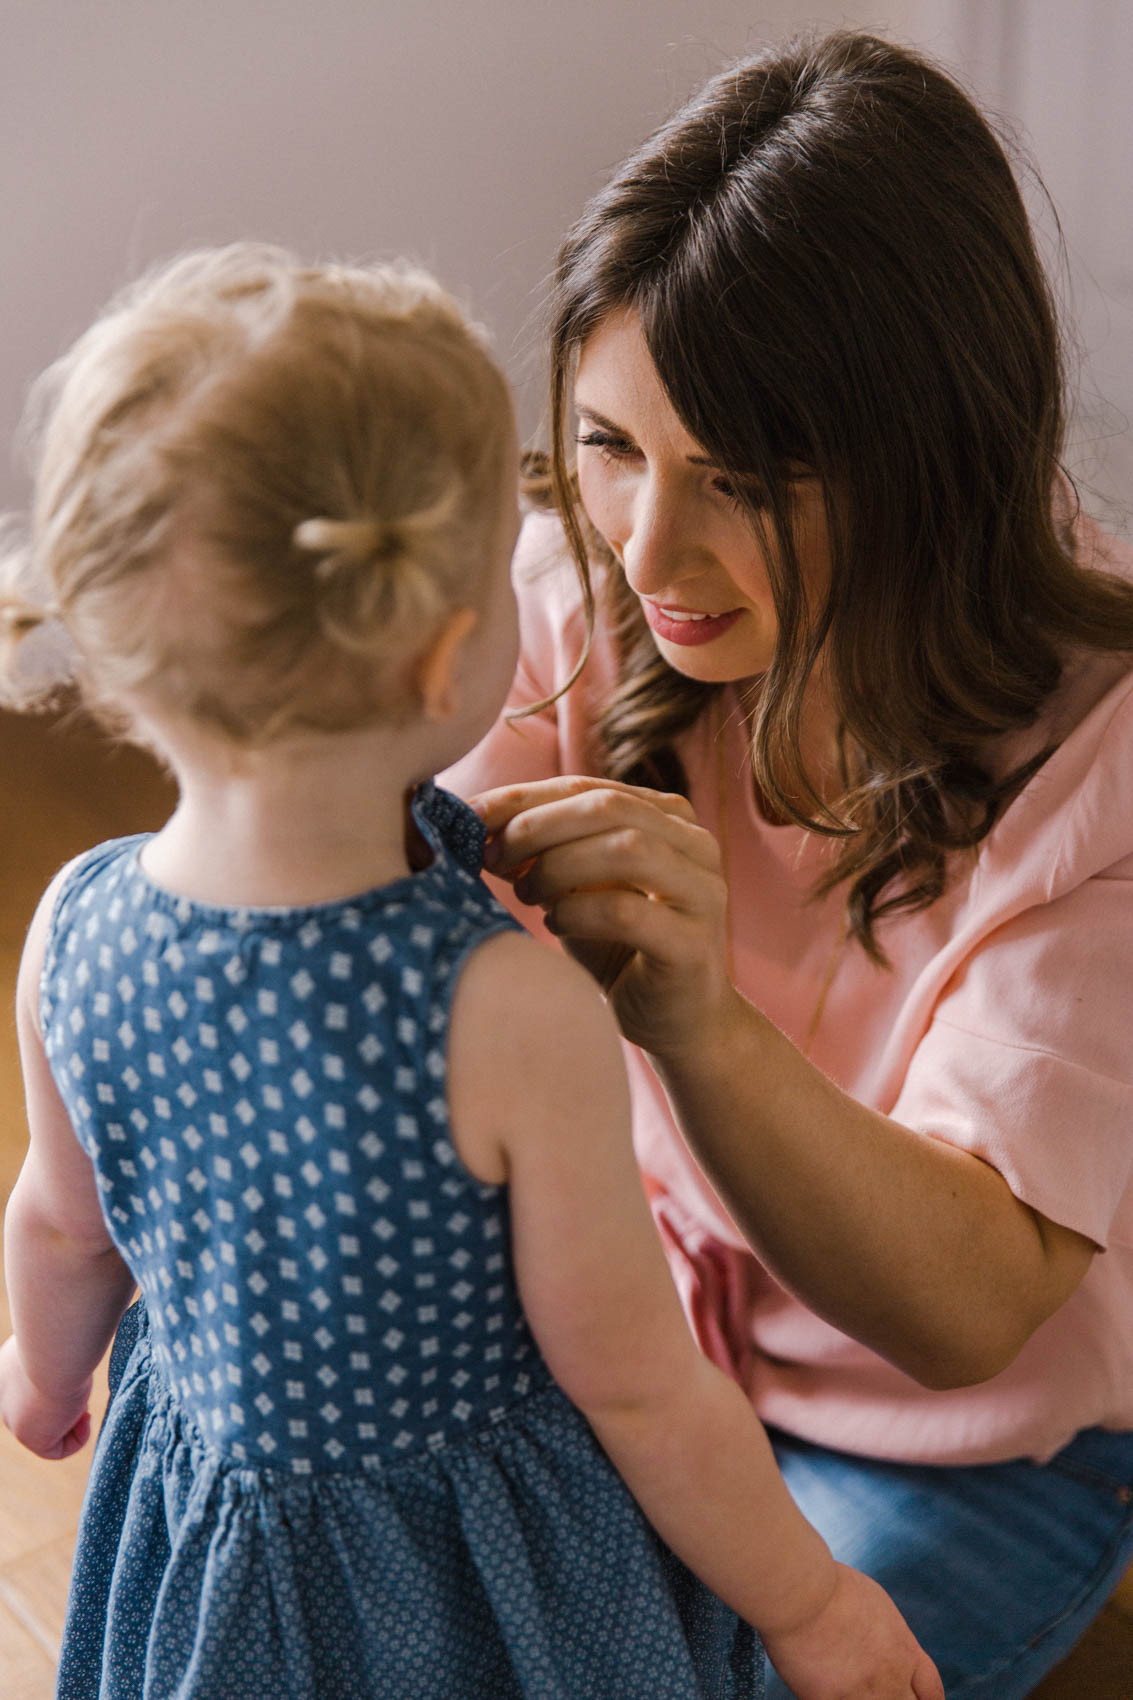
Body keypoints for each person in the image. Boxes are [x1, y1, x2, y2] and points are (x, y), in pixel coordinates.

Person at [0, 245, 942, 1700]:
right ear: (454, 658)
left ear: (123, 657)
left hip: (202, 1538)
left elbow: (64, 1234)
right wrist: (813, 1606)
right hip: (458, 1573)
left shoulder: (72, 927)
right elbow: (631, 1381)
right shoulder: (501, 1008)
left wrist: (46, 1382)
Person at [440, 30, 1133, 1700]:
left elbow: (967, 1316)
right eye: (608, 443)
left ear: (934, 455)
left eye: (743, 482)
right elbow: (390, 875)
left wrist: (700, 1028)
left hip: (962, 1448)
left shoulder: (1105, 764)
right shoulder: (596, 572)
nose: (648, 549)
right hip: (642, 1316)